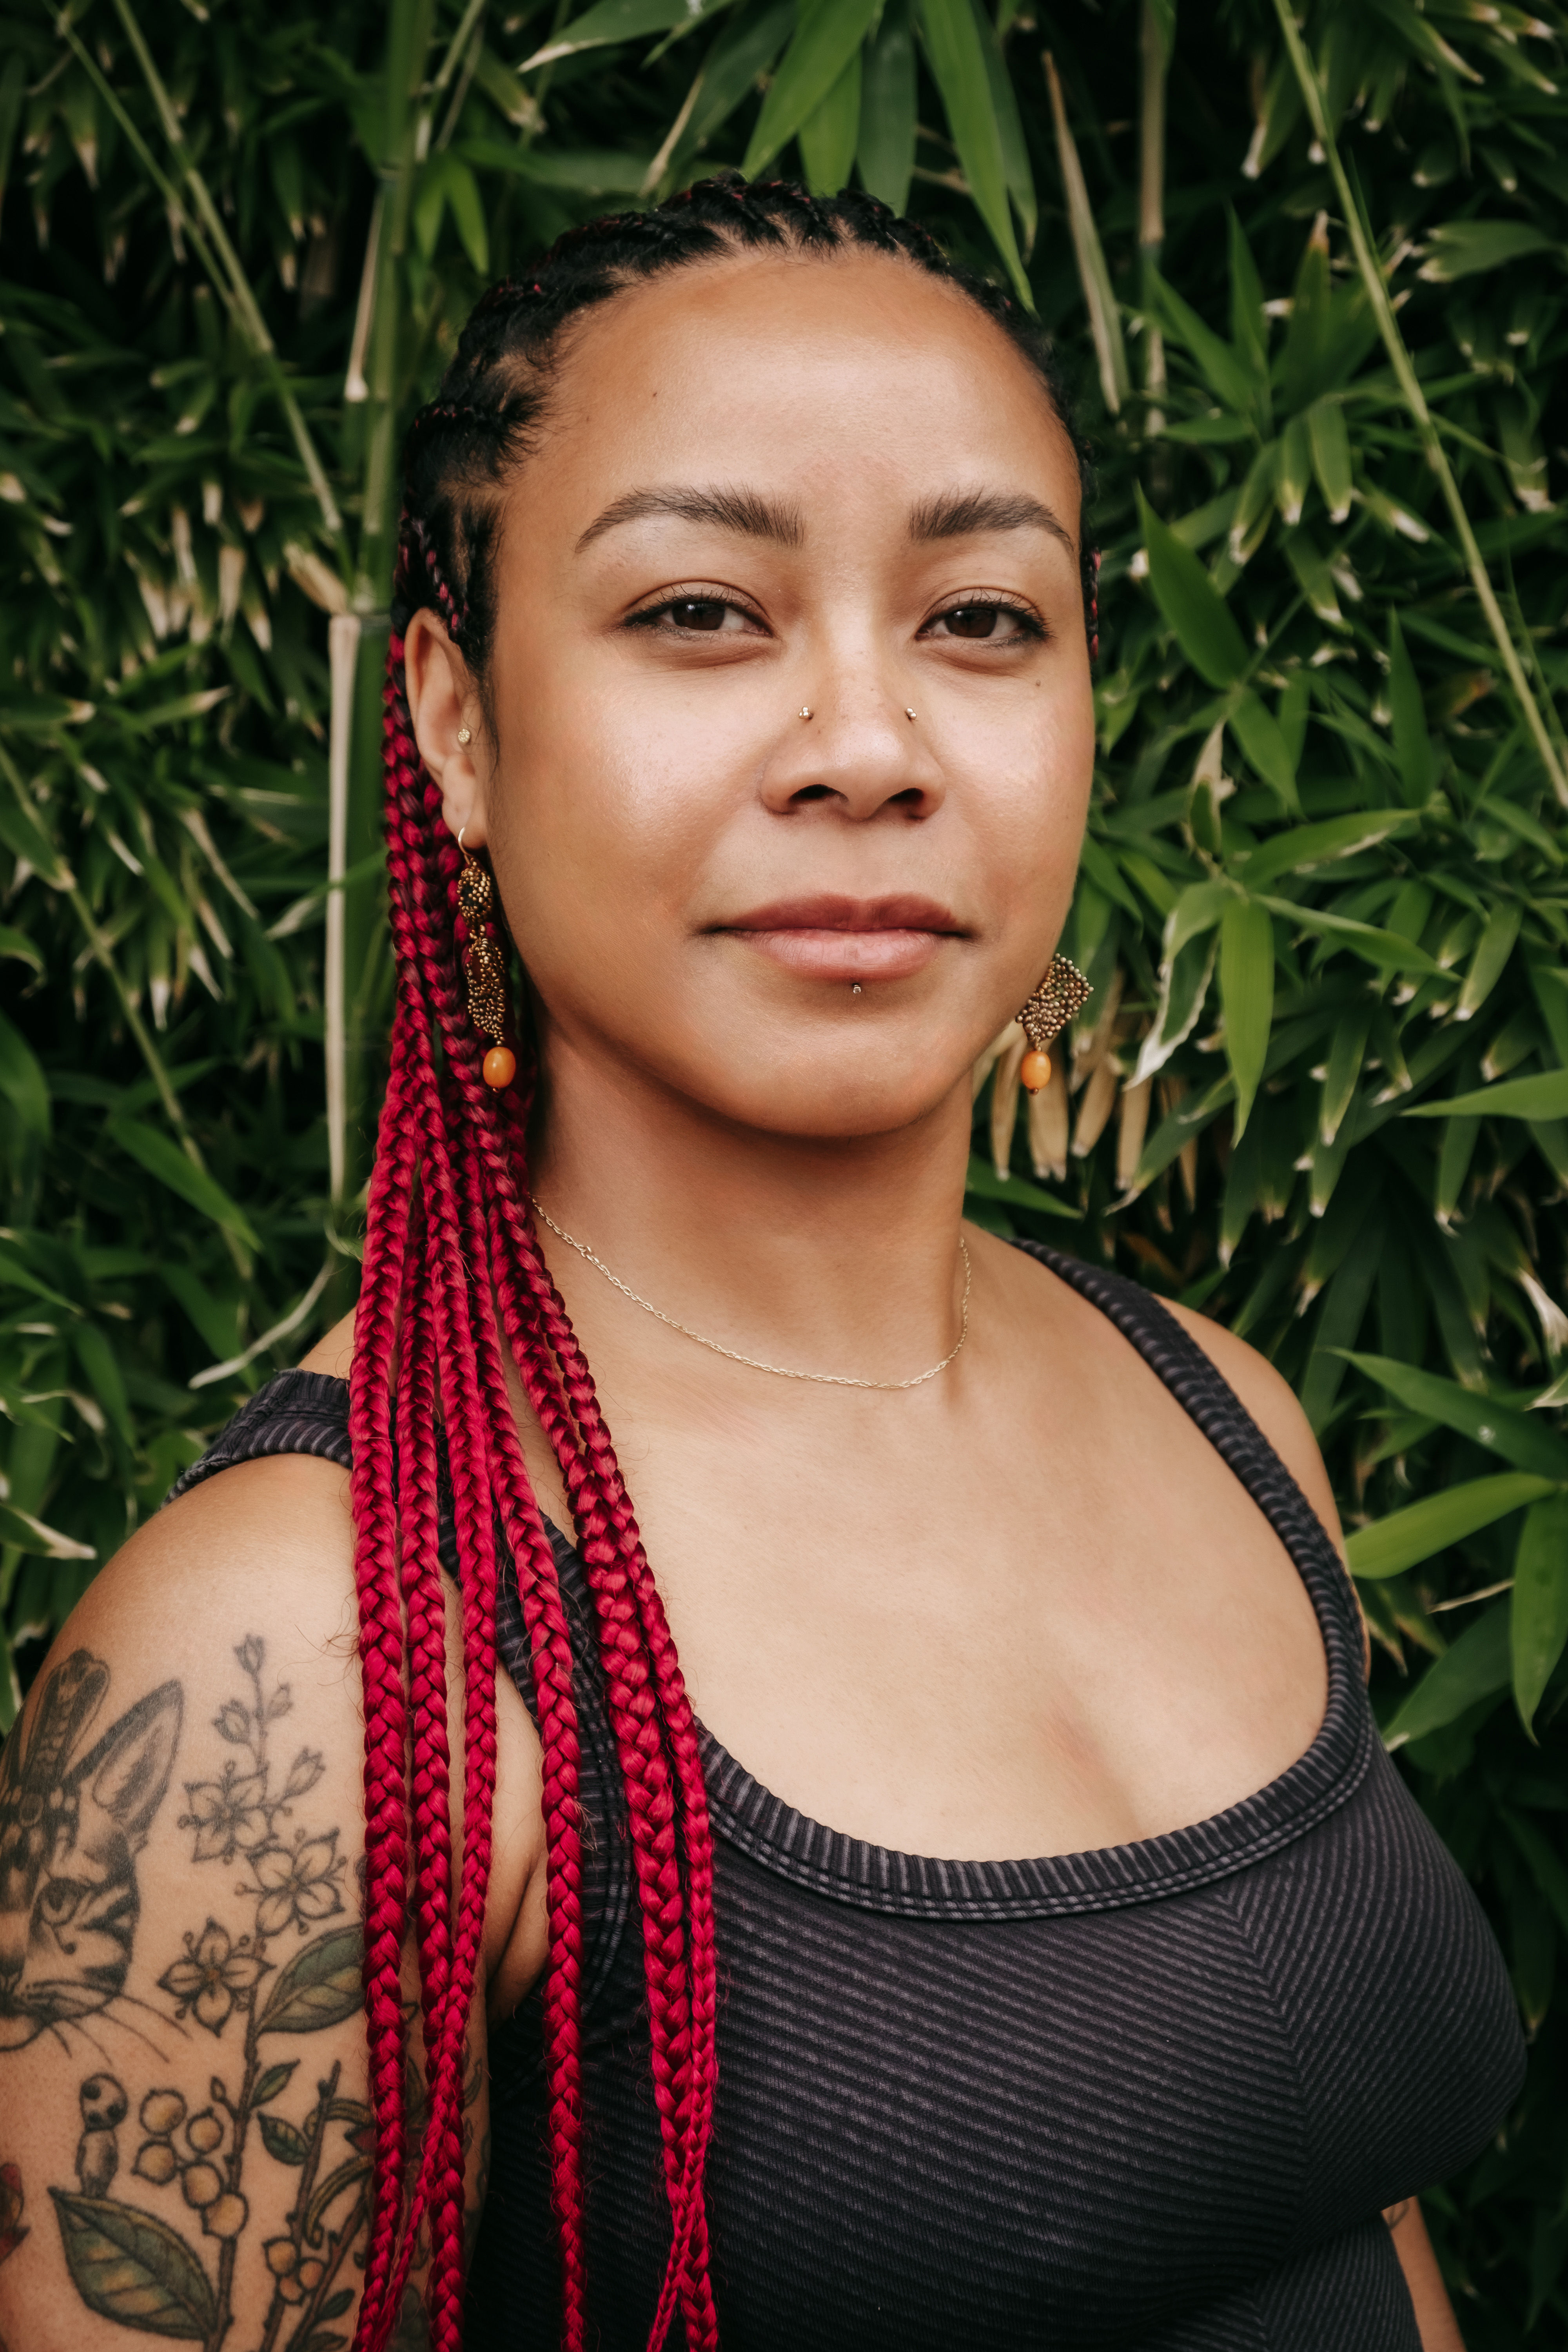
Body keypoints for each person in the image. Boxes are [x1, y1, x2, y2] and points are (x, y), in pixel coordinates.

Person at [0, 178, 1523, 2352]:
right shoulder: (314, 1661)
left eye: (981, 617)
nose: (871, 748)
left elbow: (1342, 2217)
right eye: (703, 610)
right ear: (452, 725)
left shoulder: (1218, 1407)